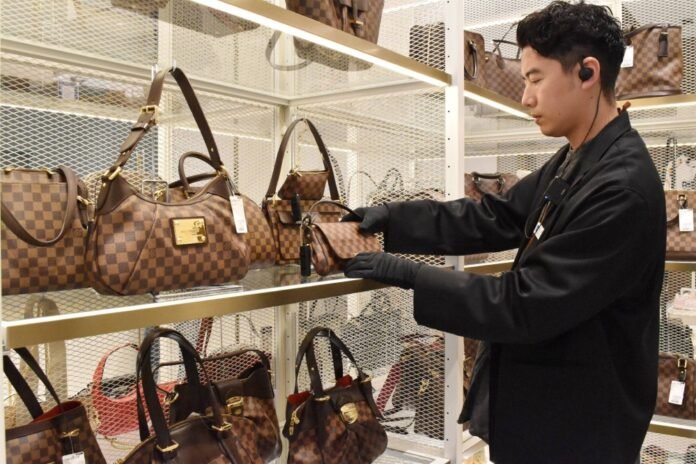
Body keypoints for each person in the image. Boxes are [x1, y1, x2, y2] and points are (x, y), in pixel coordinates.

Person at [343, 2, 666, 463]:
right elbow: (493, 217)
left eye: (535, 78)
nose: (526, 97)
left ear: (587, 73)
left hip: (580, 433)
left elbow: (524, 304)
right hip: (546, 418)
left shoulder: (622, 188)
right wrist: (393, 220)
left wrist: (410, 276)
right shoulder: (578, 157)